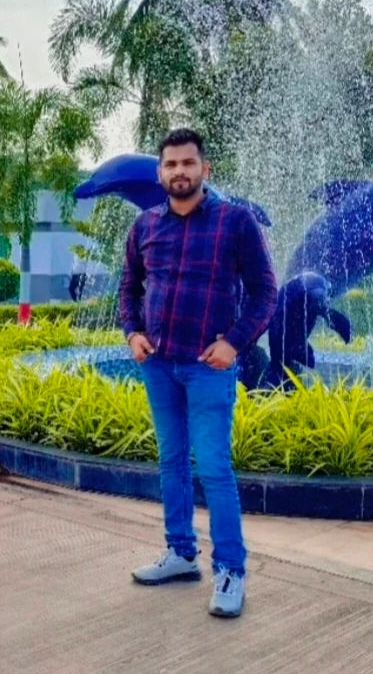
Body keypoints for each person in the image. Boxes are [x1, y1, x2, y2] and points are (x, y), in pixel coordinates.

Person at [118, 128, 277, 619]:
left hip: (208, 367)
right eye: (170, 164)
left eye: (188, 163)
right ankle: (181, 553)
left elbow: (265, 292)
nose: (179, 172)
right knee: (171, 461)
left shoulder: (235, 223)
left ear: (204, 169)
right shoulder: (145, 226)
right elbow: (129, 287)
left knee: (212, 467)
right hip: (159, 364)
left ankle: (230, 569)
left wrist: (235, 342)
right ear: (160, 173)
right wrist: (133, 333)